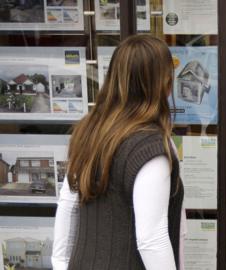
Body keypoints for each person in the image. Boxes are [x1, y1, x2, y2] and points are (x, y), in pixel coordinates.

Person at [52, 35, 186, 270]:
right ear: (164, 83)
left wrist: (60, 264)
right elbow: (151, 240)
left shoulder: (90, 130)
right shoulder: (151, 148)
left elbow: (67, 204)